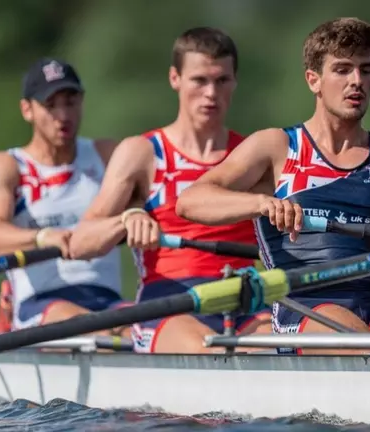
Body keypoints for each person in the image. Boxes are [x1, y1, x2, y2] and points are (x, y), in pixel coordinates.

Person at [176, 17, 370, 356]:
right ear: (313, 80)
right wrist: (260, 204)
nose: (356, 81)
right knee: (357, 342)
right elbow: (191, 200)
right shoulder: (277, 146)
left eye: (365, 70)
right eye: (342, 70)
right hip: (303, 306)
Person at [69, 27, 271, 354]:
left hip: (244, 298)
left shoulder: (250, 155)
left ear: (235, 82)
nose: (211, 93)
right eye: (200, 80)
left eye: (222, 81)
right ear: (175, 78)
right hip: (169, 303)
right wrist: (127, 221)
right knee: (211, 352)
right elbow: (80, 243)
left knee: (279, 351)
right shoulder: (142, 153)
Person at [0, 58, 129, 335]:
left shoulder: (108, 155)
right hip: (42, 305)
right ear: (27, 109)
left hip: (108, 302)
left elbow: (163, 204)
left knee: (149, 331)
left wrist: (137, 215)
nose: (63, 115)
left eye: (70, 102)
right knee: (99, 331)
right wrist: (43, 237)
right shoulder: (8, 166)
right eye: (50, 105)